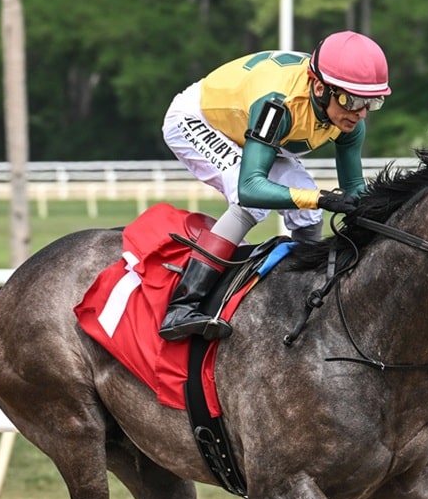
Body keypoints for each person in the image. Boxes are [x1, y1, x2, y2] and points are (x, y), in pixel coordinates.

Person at [159, 30, 391, 341]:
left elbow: (354, 189)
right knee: (252, 205)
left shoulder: (348, 119)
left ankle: (302, 295)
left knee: (308, 217)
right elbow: (251, 187)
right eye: (352, 99)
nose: (360, 112)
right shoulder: (278, 105)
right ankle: (183, 305)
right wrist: (320, 198)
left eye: (371, 103)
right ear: (320, 88)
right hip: (197, 120)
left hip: (250, 130)